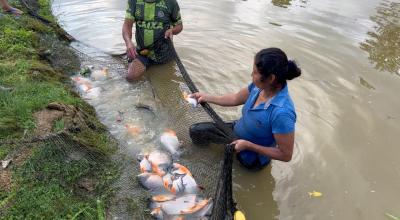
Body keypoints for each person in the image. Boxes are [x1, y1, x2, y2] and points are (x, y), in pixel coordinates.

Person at [189, 48, 301, 170]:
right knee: (196, 131)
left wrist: (249, 146)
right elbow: (235, 98)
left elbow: (286, 155)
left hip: (252, 156)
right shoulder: (259, 87)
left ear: (271, 78)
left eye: (255, 72)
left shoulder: (282, 113)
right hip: (236, 132)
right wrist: (207, 97)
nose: (251, 75)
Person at [122, 0, 183, 82]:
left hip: (164, 54)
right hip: (143, 53)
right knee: (131, 78)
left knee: (166, 82)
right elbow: (127, 25)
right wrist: (128, 42)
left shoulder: (170, 2)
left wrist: (172, 30)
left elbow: (179, 26)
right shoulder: (134, 1)